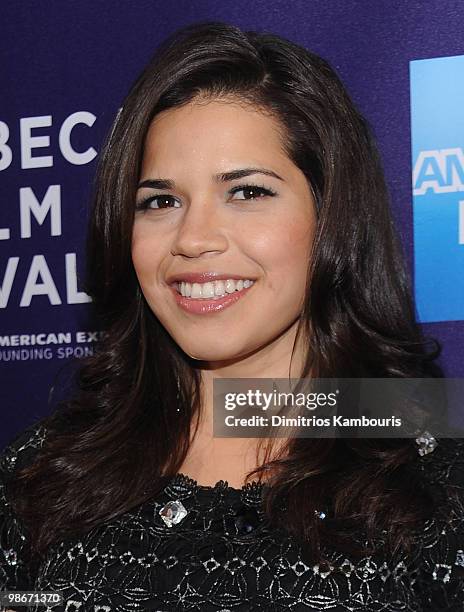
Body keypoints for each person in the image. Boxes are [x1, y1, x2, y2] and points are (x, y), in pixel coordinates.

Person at [1, 21, 463, 612]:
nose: (193, 239)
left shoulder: (434, 490)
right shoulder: (41, 475)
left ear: (332, 216)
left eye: (246, 192)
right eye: (160, 201)